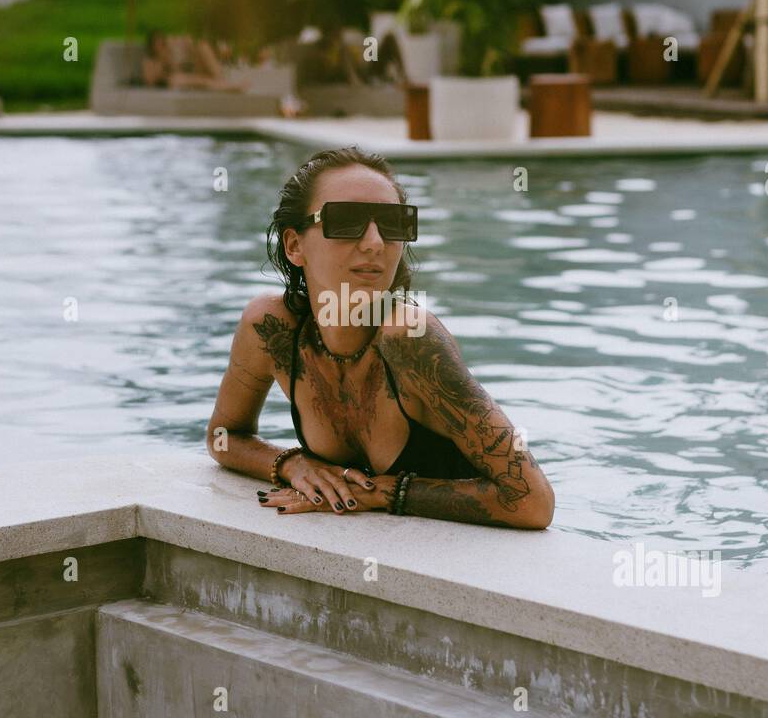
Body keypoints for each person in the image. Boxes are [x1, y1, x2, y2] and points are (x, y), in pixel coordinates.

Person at [206, 146, 554, 528]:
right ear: (294, 245)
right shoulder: (272, 328)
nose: (374, 242)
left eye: (392, 223)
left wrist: (380, 492)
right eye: (347, 219)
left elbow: (531, 501)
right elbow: (224, 437)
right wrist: (291, 463)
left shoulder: (409, 338)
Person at [141, 31, 250, 90]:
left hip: (190, 73)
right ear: (152, 48)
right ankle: (225, 85)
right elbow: (150, 81)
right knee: (200, 81)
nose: (161, 48)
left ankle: (222, 81)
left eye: (162, 44)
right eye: (158, 46)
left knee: (201, 45)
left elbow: (189, 44)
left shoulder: (172, 49)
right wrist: (163, 65)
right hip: (175, 80)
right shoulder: (149, 61)